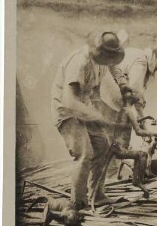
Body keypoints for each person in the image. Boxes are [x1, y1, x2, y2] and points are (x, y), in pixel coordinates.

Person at [51, 31, 130, 210]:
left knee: (103, 146)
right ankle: (78, 202)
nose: (111, 60)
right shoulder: (80, 64)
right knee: (84, 154)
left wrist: (123, 85)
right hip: (67, 111)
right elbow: (69, 100)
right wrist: (97, 117)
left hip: (84, 107)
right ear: (100, 53)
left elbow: (114, 68)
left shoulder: (102, 61)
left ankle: (97, 194)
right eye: (109, 56)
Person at [100, 40, 157, 175]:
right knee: (116, 138)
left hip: (109, 97)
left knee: (117, 137)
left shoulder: (141, 56)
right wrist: (144, 126)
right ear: (156, 57)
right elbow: (135, 94)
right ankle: (110, 175)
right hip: (109, 99)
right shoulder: (141, 62)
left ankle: (113, 171)